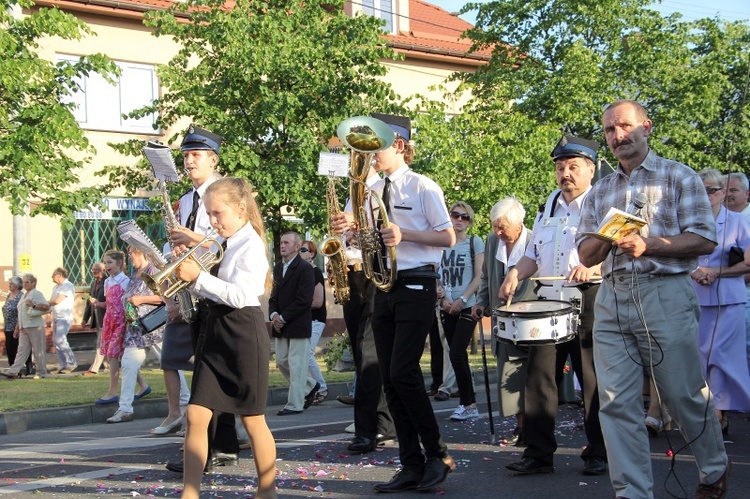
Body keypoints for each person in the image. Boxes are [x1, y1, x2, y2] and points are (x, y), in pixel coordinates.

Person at [577, 99, 730, 499]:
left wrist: (651, 245)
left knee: (683, 395)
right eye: (610, 130)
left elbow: (703, 238)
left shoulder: (678, 177)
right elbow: (585, 256)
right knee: (615, 404)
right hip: (612, 296)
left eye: (625, 127)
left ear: (646, 126)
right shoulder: (601, 191)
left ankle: (713, 472)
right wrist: (607, 237)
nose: (617, 136)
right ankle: (632, 492)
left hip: (665, 293)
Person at [500, 135, 607, 476]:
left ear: (591, 170)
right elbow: (533, 255)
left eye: (574, 167)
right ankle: (538, 453)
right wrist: (515, 273)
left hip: (588, 300)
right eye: (561, 167)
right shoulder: (548, 205)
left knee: (590, 379)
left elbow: (619, 253)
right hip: (548, 302)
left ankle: (598, 453)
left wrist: (593, 267)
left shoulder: (602, 203)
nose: (566, 174)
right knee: (539, 377)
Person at [366, 112, 457, 493]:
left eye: (378, 146)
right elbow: (375, 240)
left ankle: (438, 455)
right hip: (383, 284)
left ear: (399, 145)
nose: (371, 154)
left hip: (416, 283)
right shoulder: (372, 190)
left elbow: (448, 237)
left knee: (404, 371)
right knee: (390, 378)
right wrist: (356, 235)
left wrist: (404, 234)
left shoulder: (423, 187)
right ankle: (411, 463)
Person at [174, 177, 277, 499]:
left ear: (241, 210)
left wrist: (198, 276)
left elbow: (243, 295)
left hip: (242, 333)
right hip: (215, 331)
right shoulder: (225, 242)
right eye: (209, 214)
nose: (212, 221)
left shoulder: (251, 245)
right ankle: (189, 493)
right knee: (195, 414)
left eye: (218, 213)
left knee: (252, 419)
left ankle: (267, 490)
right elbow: (209, 289)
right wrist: (186, 273)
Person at [162, 125, 238, 475]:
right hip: (195, 292)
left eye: (195, 155)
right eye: (185, 155)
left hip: (220, 291)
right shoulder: (188, 200)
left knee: (213, 372)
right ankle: (221, 447)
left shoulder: (226, 194)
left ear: (213, 160)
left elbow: (229, 245)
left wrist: (191, 238)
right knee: (206, 370)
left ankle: (212, 448)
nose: (188, 161)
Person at [331, 161, 395, 454]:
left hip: (376, 275)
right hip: (354, 274)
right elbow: (353, 238)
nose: (351, 162)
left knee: (369, 353)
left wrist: (357, 223)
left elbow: (388, 233)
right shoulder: (352, 193)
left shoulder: (382, 189)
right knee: (362, 355)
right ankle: (384, 424)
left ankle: (366, 431)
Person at [692, 168, 750, 435]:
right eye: (701, 190)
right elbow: (679, 256)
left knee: (722, 356)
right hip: (696, 298)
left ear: (722, 193)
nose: (707, 196)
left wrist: (717, 272)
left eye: (712, 190)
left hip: (729, 299)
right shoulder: (689, 222)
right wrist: (696, 272)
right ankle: (708, 412)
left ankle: (720, 412)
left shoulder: (739, 222)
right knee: (700, 357)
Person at [471, 197, 533, 446]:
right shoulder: (492, 241)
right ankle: (520, 424)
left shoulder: (533, 240)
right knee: (509, 372)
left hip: (529, 321)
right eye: (495, 226)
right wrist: (481, 302)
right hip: (502, 321)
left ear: (519, 224)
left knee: (528, 374)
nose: (498, 231)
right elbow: (486, 277)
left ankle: (530, 425)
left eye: (503, 226)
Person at [438, 201, 484, 420]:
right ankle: (469, 403)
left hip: (468, 305)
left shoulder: (475, 243)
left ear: (470, 222)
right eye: (455, 215)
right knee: (457, 356)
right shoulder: (440, 243)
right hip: (445, 305)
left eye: (464, 217)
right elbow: (434, 272)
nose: (459, 220)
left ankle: (469, 404)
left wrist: (463, 299)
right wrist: (443, 299)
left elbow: (479, 276)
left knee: (456, 353)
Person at [106, 246, 163, 423]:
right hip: (135, 329)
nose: (130, 256)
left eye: (132, 253)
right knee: (128, 366)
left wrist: (141, 299)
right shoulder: (135, 273)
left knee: (170, 366)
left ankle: (184, 403)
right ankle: (125, 409)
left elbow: (166, 296)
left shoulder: (153, 270)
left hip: (154, 327)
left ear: (143, 253)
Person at [269, 231, 319, 415]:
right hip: (280, 324)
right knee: (282, 362)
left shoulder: (305, 268)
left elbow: (304, 300)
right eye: (281, 242)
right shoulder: (277, 268)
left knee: (297, 365)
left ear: (297, 247)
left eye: (287, 243)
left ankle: (294, 405)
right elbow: (273, 296)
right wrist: (274, 315)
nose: (282, 245)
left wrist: (283, 318)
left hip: (297, 323)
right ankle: (310, 386)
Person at [95, 250, 129, 405]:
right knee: (112, 354)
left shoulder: (125, 281)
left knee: (113, 355)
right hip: (109, 320)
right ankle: (143, 386)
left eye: (109, 262)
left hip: (121, 320)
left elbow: (127, 304)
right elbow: (109, 303)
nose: (106, 265)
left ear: (119, 263)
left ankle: (112, 392)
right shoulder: (108, 281)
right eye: (105, 262)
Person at [725, 172, 750, 373]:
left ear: (747, 193)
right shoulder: (716, 217)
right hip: (720, 294)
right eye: (725, 190)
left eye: (734, 190)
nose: (728, 195)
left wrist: (720, 275)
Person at [1, 274, 48, 379]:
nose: (25, 284)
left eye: (27, 282)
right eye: (24, 282)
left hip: (35, 326)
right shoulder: (24, 295)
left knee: (38, 350)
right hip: (24, 326)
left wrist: (34, 305)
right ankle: (14, 371)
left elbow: (47, 307)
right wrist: (17, 328)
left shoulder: (36, 294)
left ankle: (41, 372)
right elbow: (20, 313)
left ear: (33, 283)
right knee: (21, 350)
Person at [299, 240, 328, 404]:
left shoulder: (315, 272)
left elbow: (317, 302)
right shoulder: (301, 273)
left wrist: (296, 306)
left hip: (316, 319)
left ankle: (321, 388)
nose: (300, 252)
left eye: (303, 250)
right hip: (304, 319)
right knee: (302, 355)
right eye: (299, 250)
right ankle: (311, 388)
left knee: (307, 353)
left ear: (312, 254)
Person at [46, 267, 78, 374]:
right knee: (56, 342)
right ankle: (63, 365)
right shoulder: (56, 287)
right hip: (56, 317)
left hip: (64, 317)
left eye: (53, 275)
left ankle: (71, 363)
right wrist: (49, 314)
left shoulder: (67, 286)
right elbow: (52, 303)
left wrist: (44, 303)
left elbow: (56, 301)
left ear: (59, 275)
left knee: (61, 340)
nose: (52, 278)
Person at [2, 276, 33, 376]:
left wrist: (18, 326)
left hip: (18, 326)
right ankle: (13, 369)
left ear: (16, 285)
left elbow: (22, 311)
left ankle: (28, 365)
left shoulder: (21, 296)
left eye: (11, 284)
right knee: (10, 348)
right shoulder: (9, 296)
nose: (9, 285)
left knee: (20, 348)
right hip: (8, 326)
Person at [82, 262, 108, 376]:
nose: (93, 272)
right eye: (92, 270)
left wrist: (98, 303)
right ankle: (109, 367)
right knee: (104, 342)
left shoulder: (107, 282)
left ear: (103, 270)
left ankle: (94, 368)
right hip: (97, 317)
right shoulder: (93, 284)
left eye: (96, 270)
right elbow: (89, 302)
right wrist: (85, 318)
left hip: (106, 316)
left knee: (101, 342)